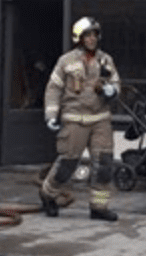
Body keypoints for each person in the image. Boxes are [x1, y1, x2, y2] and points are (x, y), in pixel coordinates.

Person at [40, 16, 120, 221]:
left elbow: (116, 84)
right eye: (88, 35)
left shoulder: (106, 60)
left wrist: (112, 90)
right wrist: (51, 116)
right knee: (67, 163)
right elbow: (53, 89)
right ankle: (48, 194)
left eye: (94, 35)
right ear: (79, 38)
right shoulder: (66, 61)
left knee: (104, 164)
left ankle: (99, 207)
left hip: (100, 119)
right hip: (74, 119)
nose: (92, 39)